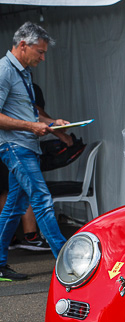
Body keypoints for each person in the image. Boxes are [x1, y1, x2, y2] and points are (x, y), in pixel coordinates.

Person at [0, 22, 73, 281]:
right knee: (42, 199)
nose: (43, 58)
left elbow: (28, 112)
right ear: (23, 45)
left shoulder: (22, 72)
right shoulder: (4, 70)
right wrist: (32, 126)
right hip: (16, 146)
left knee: (14, 206)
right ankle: (69, 264)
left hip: (26, 145)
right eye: (40, 52)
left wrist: (54, 125)